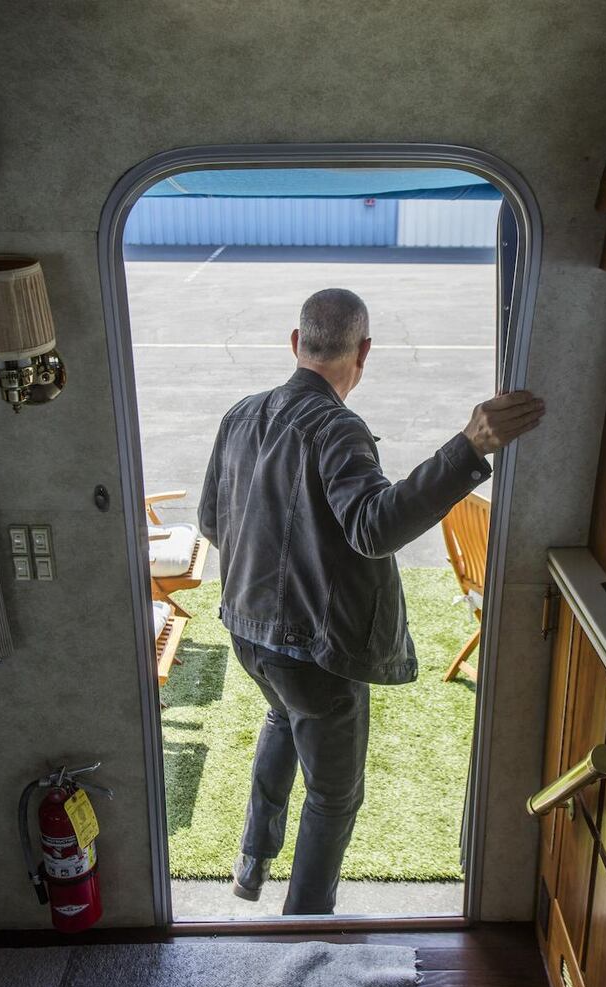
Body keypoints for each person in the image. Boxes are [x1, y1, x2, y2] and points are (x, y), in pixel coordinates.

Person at [198, 288, 545, 915]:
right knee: (334, 797)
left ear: (296, 343)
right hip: (313, 655)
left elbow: (213, 522)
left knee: (281, 717)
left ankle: (250, 867)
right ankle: (304, 931)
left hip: (247, 636)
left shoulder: (240, 415)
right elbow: (375, 527)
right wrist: (470, 445)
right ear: (364, 352)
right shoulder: (337, 425)